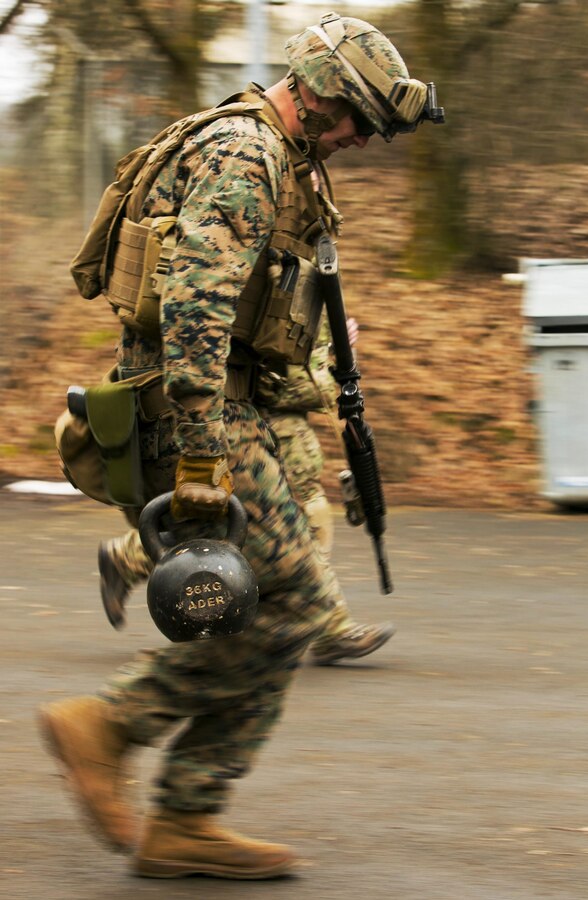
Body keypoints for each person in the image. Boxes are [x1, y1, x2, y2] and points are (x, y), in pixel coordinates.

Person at [38, 13, 432, 880]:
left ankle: (186, 813)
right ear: (323, 95)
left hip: (225, 408)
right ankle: (112, 731)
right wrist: (201, 464)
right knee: (294, 605)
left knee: (274, 612)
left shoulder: (276, 155)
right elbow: (196, 309)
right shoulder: (245, 155)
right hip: (202, 415)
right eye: (359, 119)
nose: (363, 139)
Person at [98, 314, 395, 665]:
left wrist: (332, 346)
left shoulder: (306, 287)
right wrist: (331, 363)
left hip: (293, 447)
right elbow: (279, 384)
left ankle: (126, 558)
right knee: (281, 534)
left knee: (289, 531)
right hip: (262, 438)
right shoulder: (261, 292)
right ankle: (330, 628)